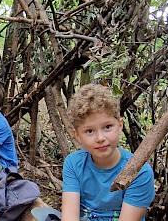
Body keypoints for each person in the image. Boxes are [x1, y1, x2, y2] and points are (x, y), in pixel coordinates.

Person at [33, 83, 155, 221]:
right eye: (89, 131)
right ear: (77, 135)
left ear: (120, 125)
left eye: (107, 127)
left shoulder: (139, 172)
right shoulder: (74, 164)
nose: (100, 138)